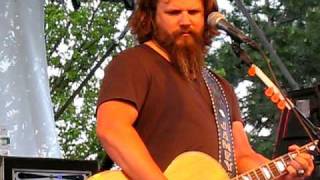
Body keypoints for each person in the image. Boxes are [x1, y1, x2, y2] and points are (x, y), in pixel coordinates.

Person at [96, 0, 315, 179]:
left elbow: (242, 157)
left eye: (193, 12)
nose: (185, 21)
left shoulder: (221, 87)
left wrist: (282, 170)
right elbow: (113, 129)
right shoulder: (133, 63)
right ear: (151, 17)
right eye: (173, 12)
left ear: (206, 18)